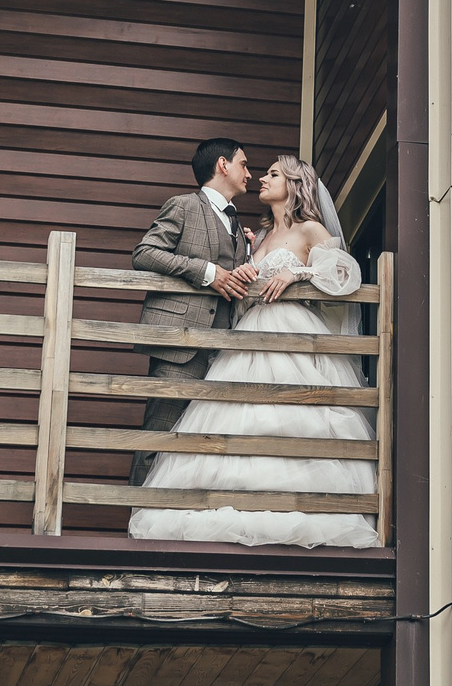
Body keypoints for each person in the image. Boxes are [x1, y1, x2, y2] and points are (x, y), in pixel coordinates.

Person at [128, 154, 378, 548]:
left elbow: (346, 275)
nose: (262, 178)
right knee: (231, 421)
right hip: (249, 335)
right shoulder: (258, 238)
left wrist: (297, 273)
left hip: (292, 335)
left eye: (273, 174)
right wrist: (248, 269)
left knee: (290, 421)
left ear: (294, 185)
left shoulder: (311, 229)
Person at [129, 138, 257, 484]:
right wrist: (207, 272)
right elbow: (145, 253)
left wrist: (249, 255)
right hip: (179, 347)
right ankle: (137, 524)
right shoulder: (184, 206)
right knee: (159, 438)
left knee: (199, 447)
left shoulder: (237, 224)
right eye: (243, 164)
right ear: (223, 165)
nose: (249, 173)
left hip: (222, 352)